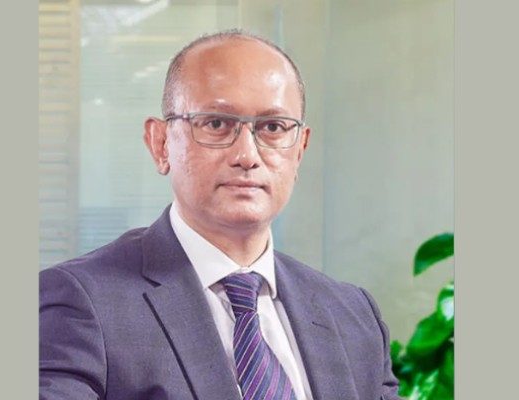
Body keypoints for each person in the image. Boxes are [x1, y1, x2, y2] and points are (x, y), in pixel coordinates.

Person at [40, 29, 402, 400]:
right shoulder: (80, 304)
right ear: (161, 144)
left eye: (273, 127)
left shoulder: (353, 316)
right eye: (216, 123)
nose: (247, 155)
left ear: (299, 150)